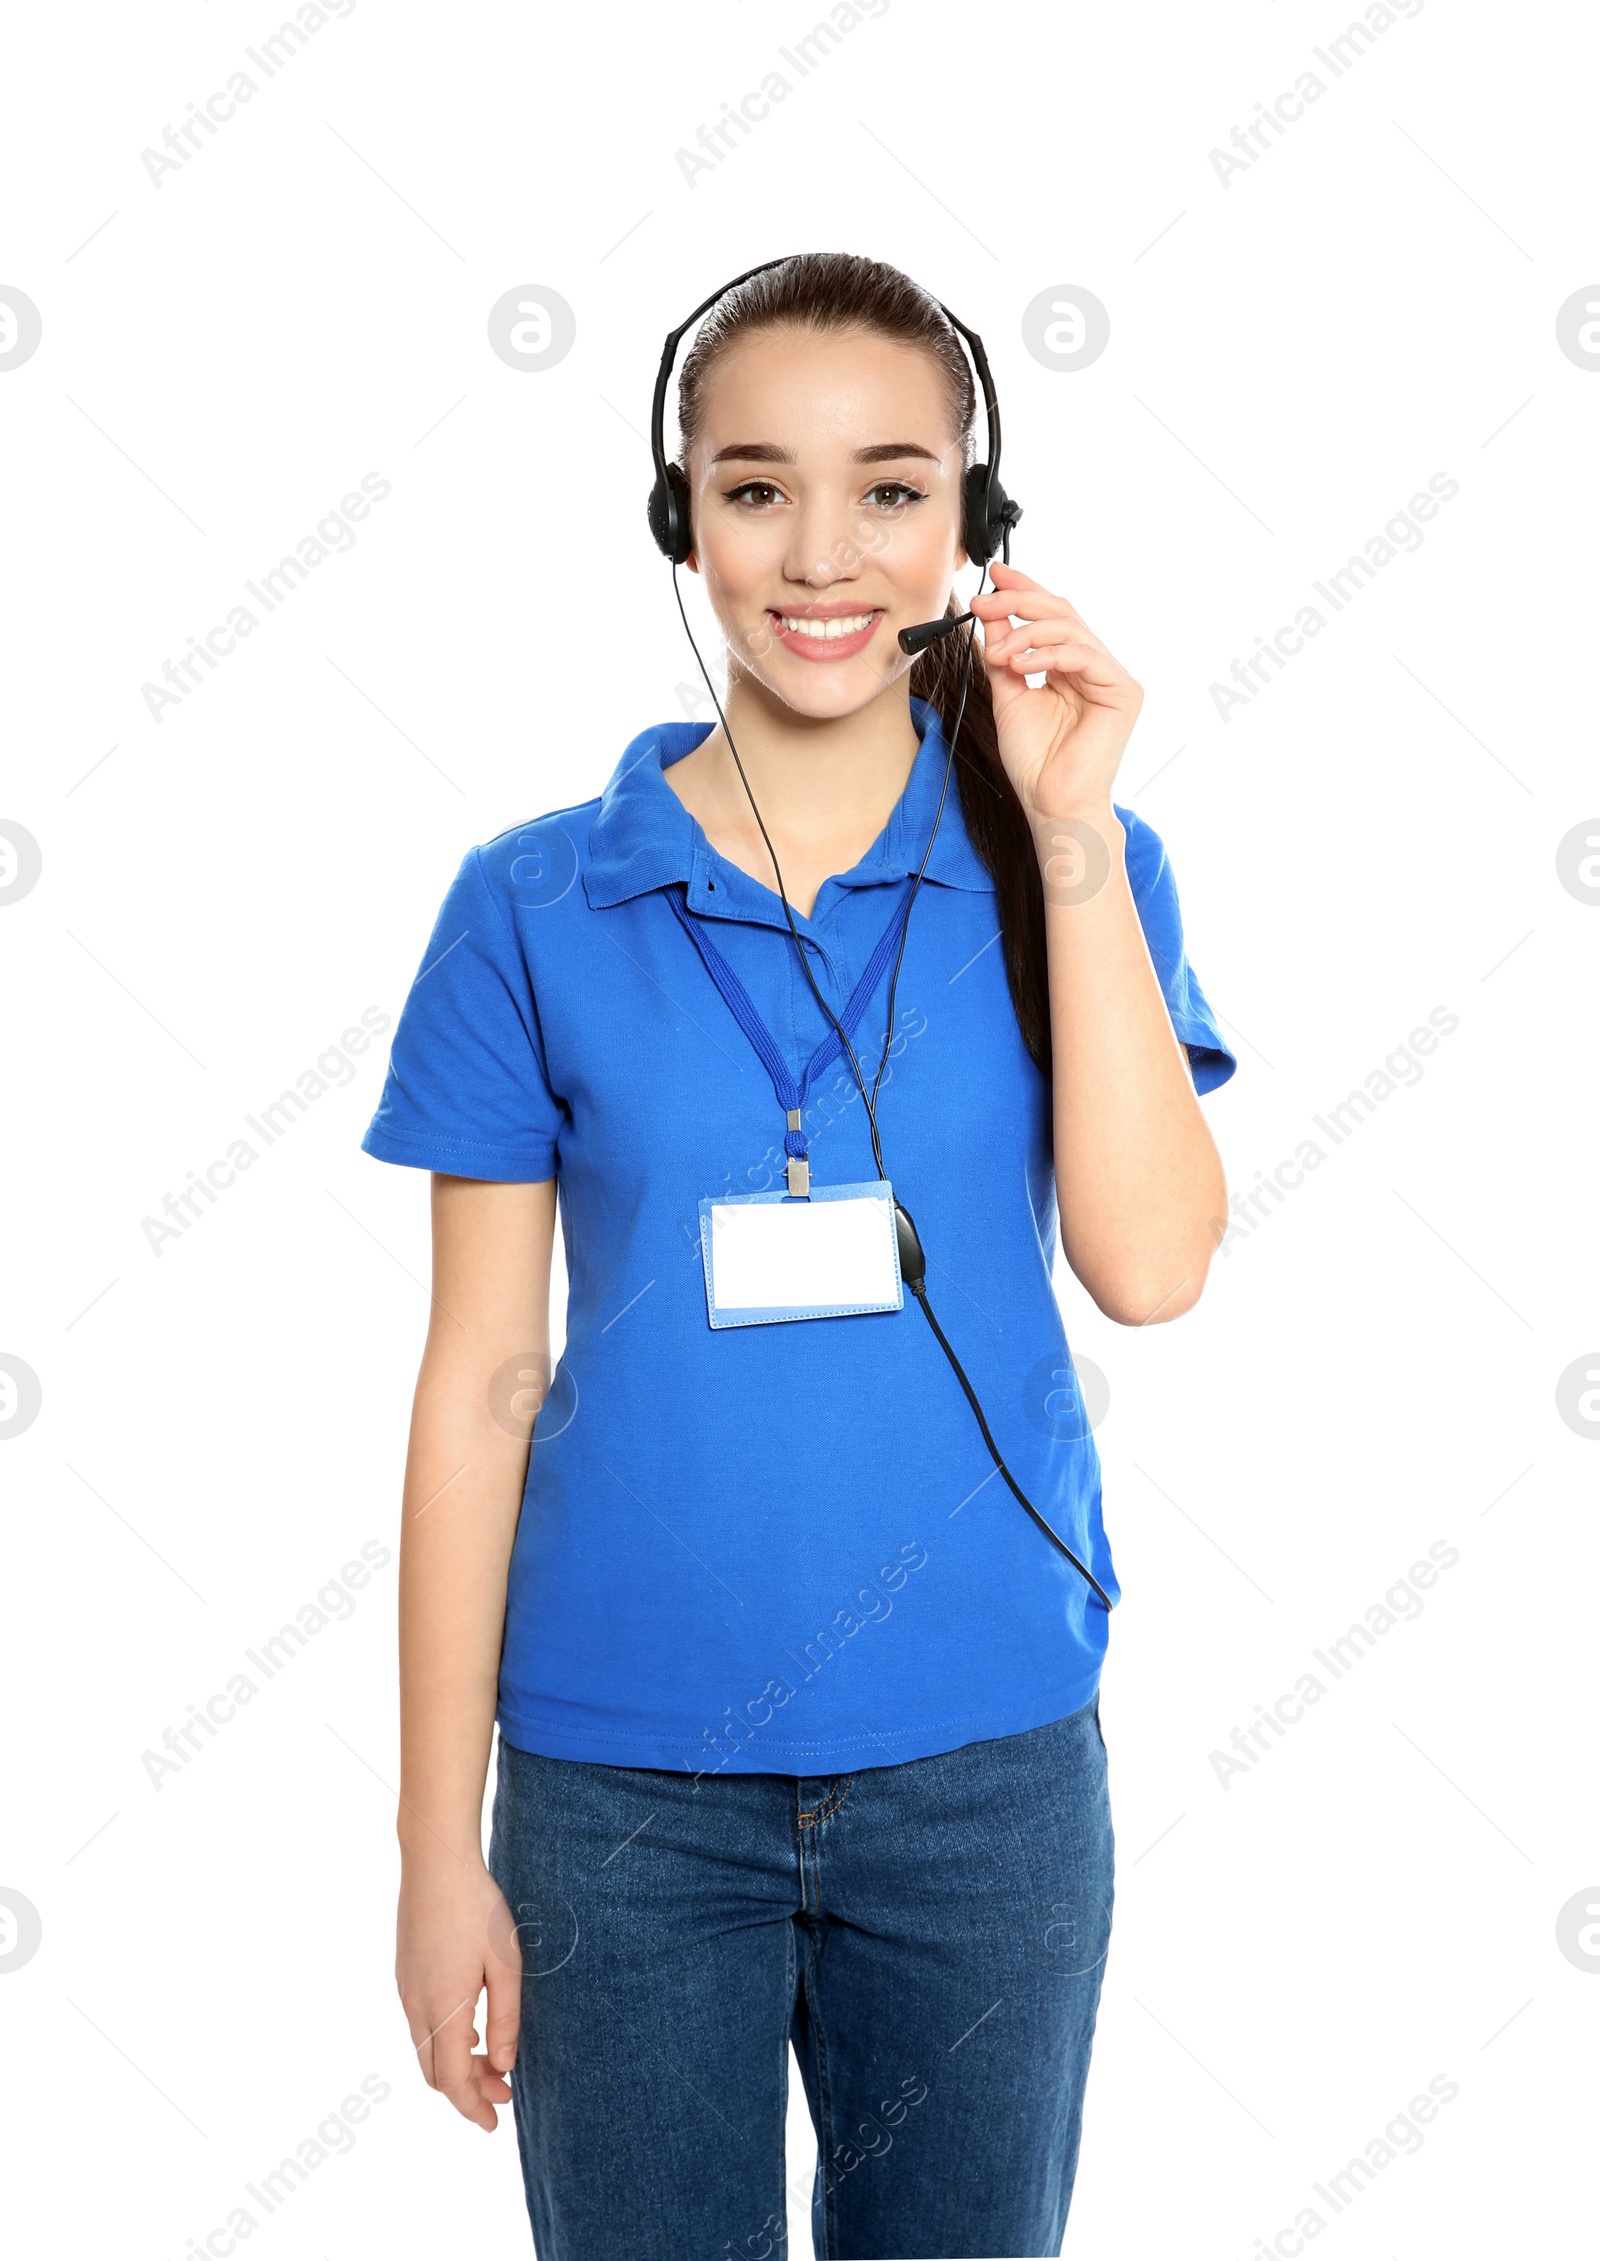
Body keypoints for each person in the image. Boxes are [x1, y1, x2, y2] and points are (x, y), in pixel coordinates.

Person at [361, 250, 1236, 2261]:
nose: (817, 552)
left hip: (984, 1775)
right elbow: (472, 1383)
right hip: (617, 1792)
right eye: (754, 488)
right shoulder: (531, 901)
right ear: (680, 515)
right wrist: (433, 1846)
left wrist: (1073, 834)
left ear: (970, 526)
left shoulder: (1069, 861)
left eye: (889, 489)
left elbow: (1151, 1266)